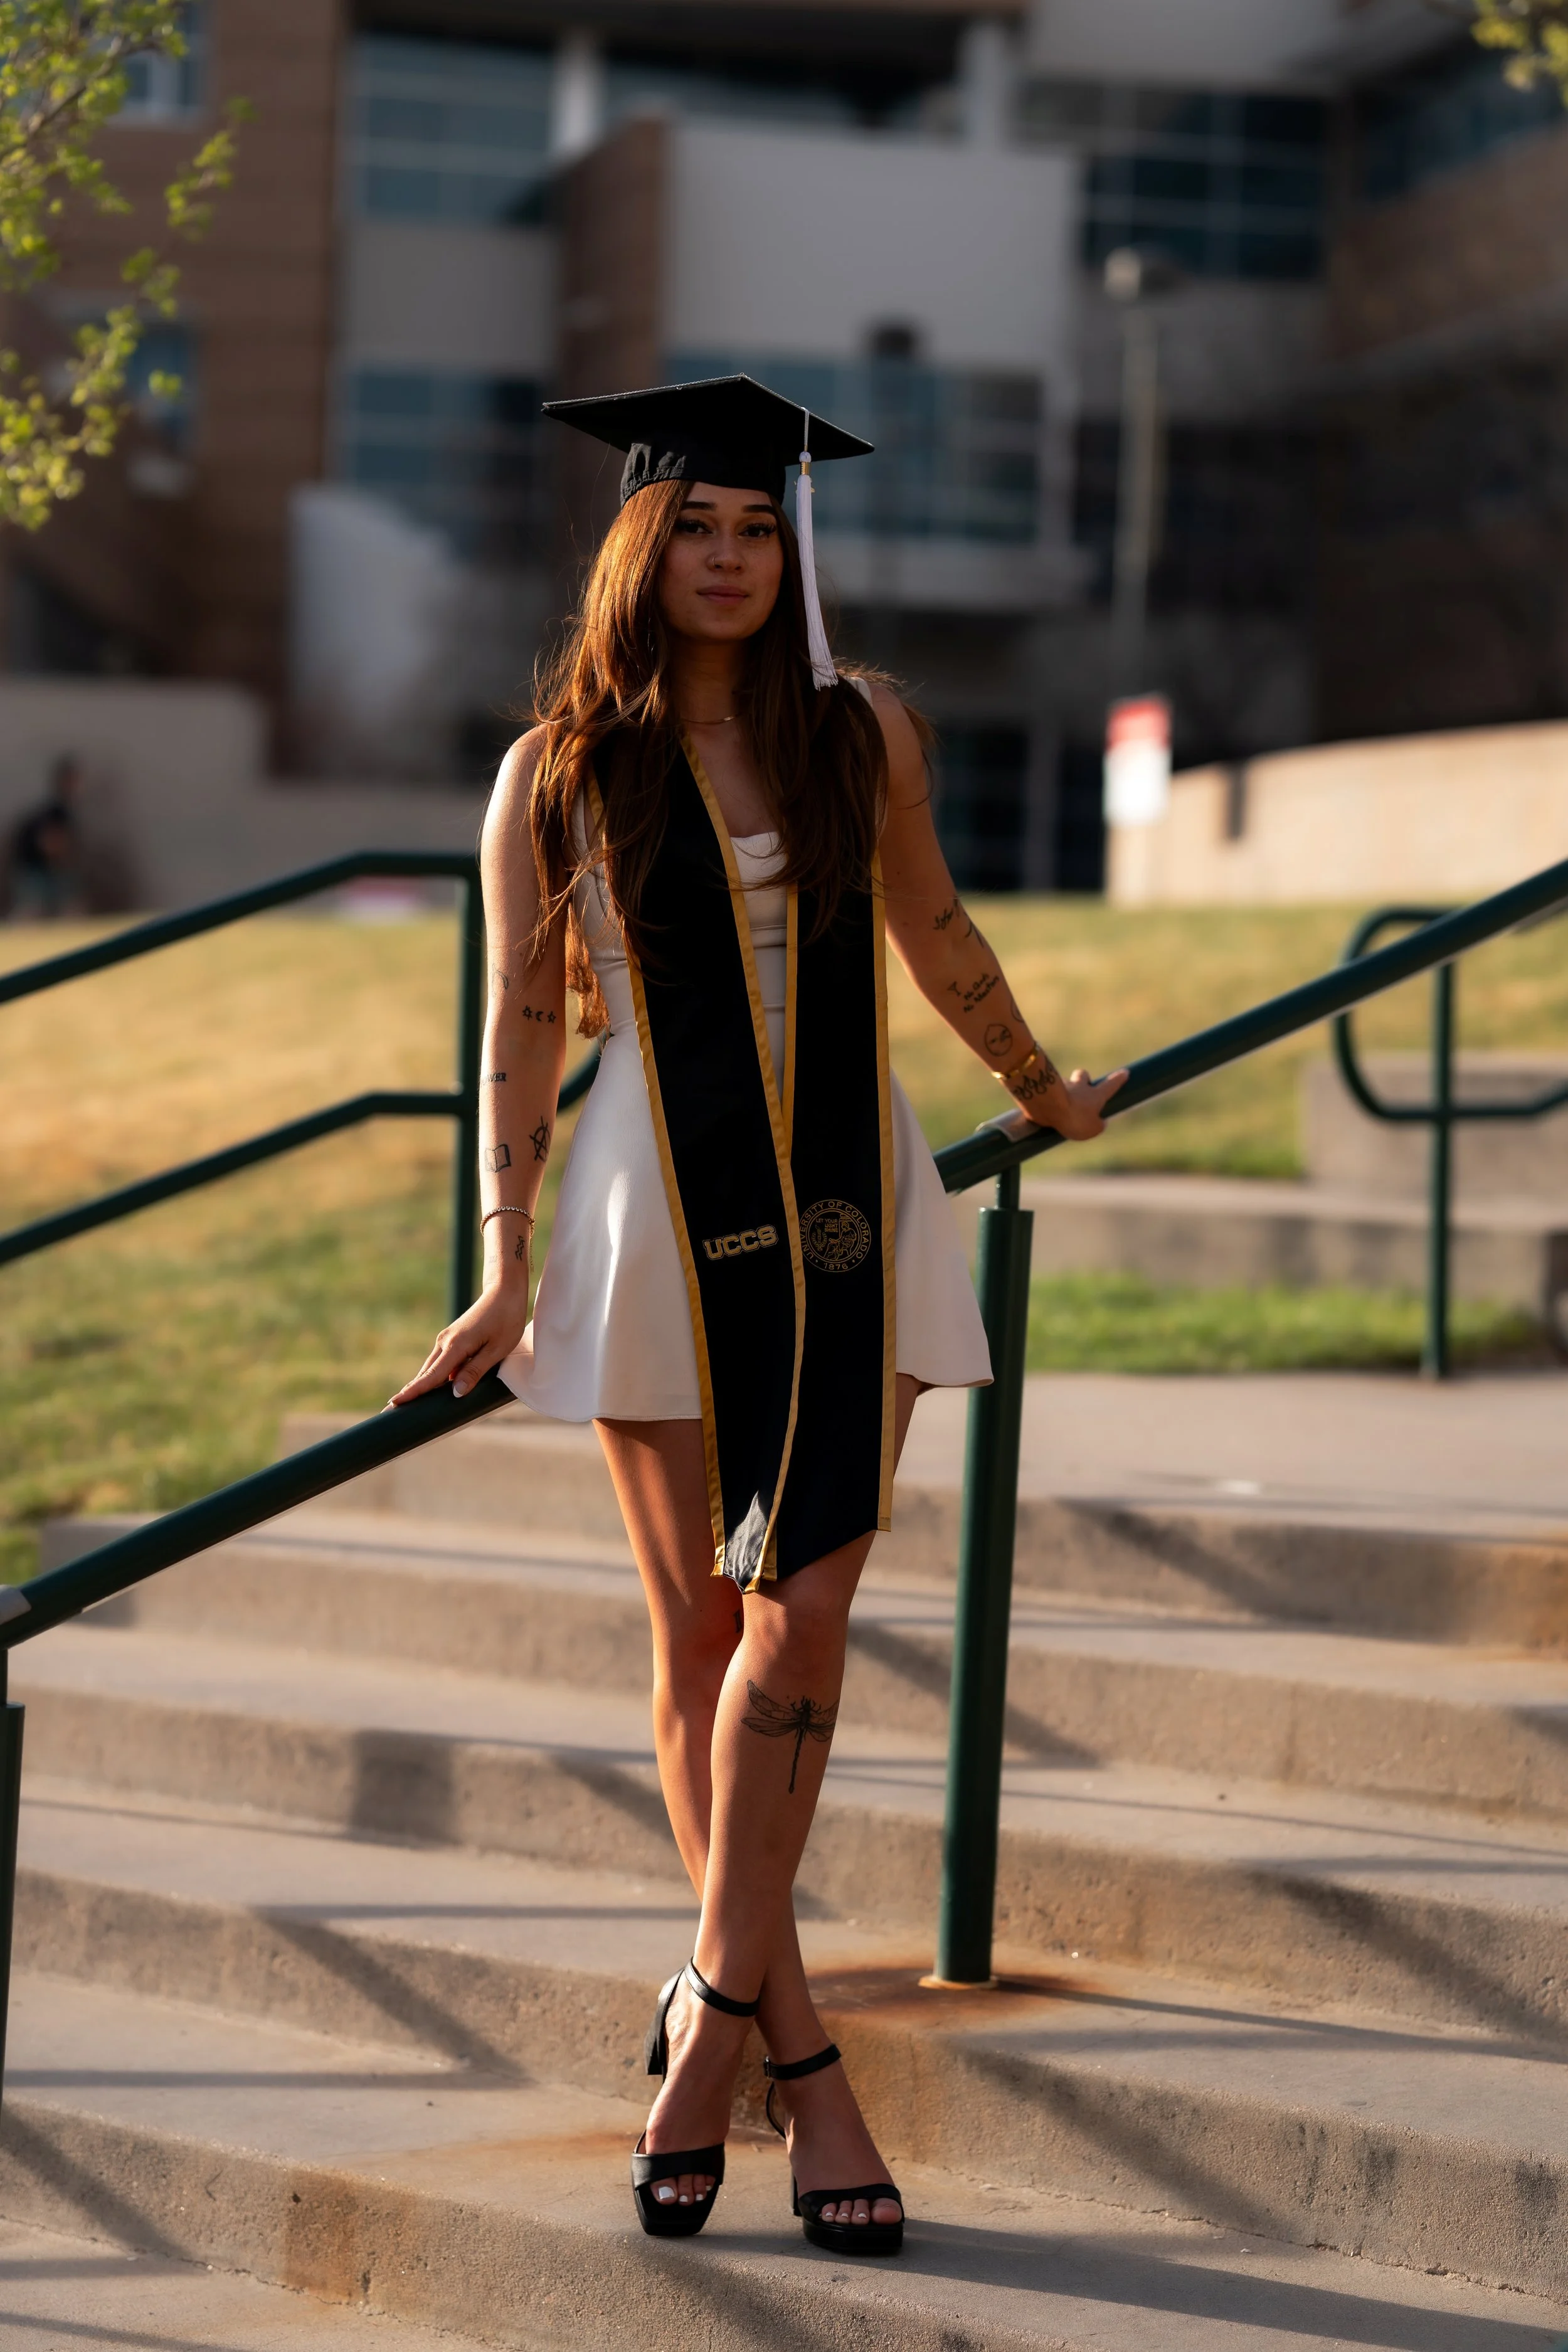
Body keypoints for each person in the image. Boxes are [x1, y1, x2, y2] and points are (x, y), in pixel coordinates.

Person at [393, 375, 1126, 2254]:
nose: (730, 557)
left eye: (758, 529)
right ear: (641, 547)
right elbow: (520, 1023)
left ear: (788, 549)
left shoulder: (854, 725)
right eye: (698, 528)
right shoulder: (555, 769)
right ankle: (796, 2056)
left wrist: (1038, 1085)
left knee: (801, 1614)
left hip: (845, 1199)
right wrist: (497, 1250)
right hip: (657, 1201)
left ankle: (706, 2014)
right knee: (703, 1624)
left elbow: (931, 925)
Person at [8, 755, 83, 919]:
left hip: (38, 867)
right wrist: (60, 861)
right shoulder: (56, 810)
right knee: (33, 909)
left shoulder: (61, 809)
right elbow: (49, 843)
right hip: (35, 867)